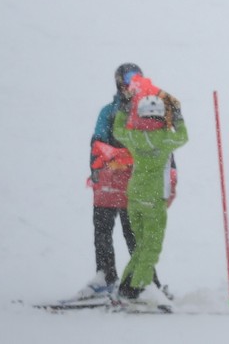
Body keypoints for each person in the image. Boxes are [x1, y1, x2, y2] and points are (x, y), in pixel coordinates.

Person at [77, 63, 176, 300]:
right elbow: (97, 142)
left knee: (134, 233)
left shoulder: (147, 111)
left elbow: (163, 146)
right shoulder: (109, 112)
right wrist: (96, 169)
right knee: (102, 229)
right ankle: (105, 275)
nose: (132, 83)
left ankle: (146, 282)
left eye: (137, 78)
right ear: (119, 81)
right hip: (110, 181)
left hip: (136, 183)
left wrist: (170, 177)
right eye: (128, 78)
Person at [112, 72, 188, 307]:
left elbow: (117, 131)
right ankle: (139, 288)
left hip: (134, 197)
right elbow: (183, 136)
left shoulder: (133, 137)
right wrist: (177, 116)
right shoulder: (165, 138)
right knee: (151, 247)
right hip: (154, 199)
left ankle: (126, 287)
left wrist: (124, 109)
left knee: (141, 245)